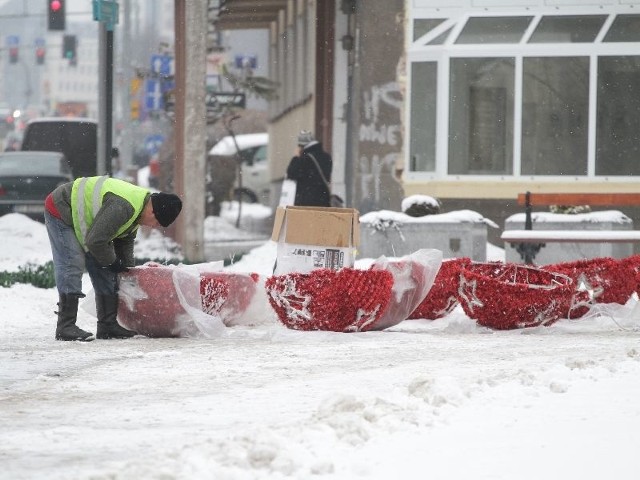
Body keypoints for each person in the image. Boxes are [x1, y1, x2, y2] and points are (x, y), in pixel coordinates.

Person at [44, 175, 183, 342]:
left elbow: (125, 243)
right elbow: (95, 241)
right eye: (157, 223)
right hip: (61, 210)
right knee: (72, 263)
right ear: (153, 211)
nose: (153, 227)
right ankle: (65, 326)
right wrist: (112, 262)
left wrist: (129, 273)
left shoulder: (137, 211)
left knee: (104, 265)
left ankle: (107, 325)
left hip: (89, 226)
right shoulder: (123, 207)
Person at [286, 130, 332, 207]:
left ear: (301, 146)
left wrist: (296, 157)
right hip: (323, 201)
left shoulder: (304, 159)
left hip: (306, 204)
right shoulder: (327, 157)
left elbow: (291, 174)